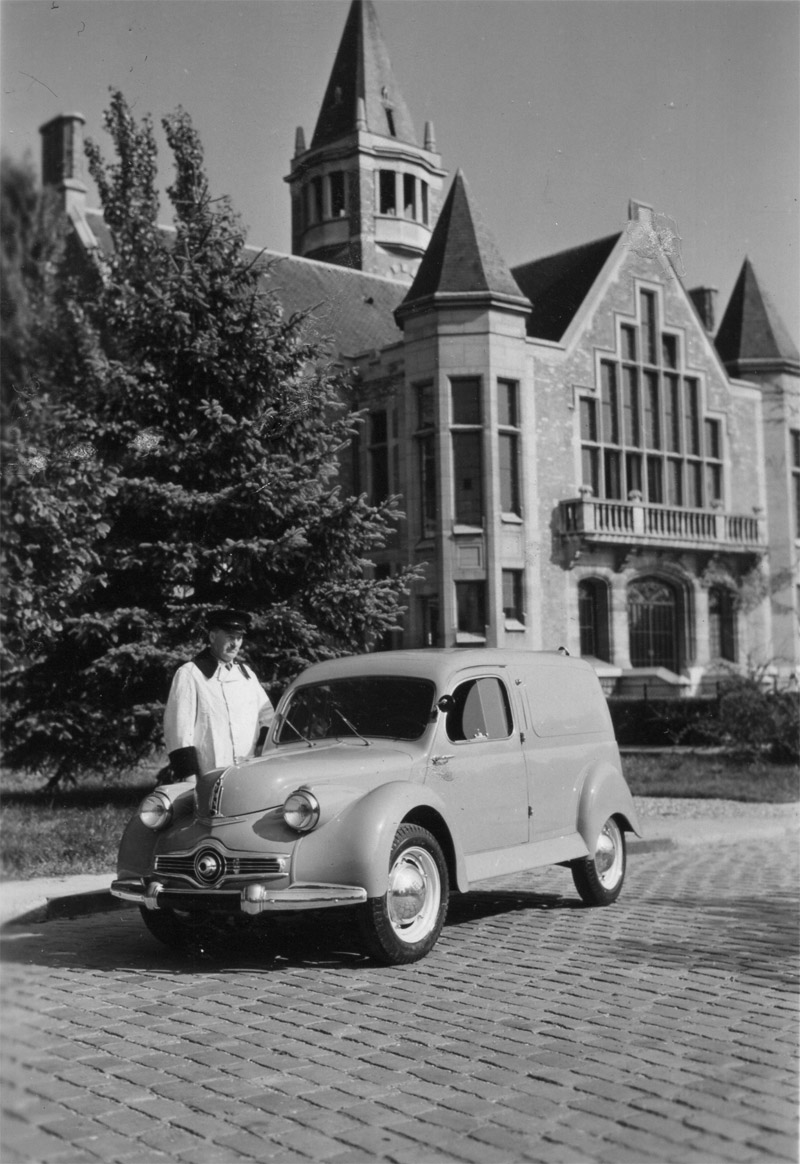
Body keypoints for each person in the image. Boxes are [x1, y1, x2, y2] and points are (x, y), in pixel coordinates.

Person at [163, 609, 274, 781]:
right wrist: (189, 779)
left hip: (250, 775)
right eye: (230, 637)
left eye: (239, 638)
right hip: (210, 777)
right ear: (213, 637)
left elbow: (268, 716)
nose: (235, 644)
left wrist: (262, 748)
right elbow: (179, 731)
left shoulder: (247, 675)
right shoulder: (190, 674)